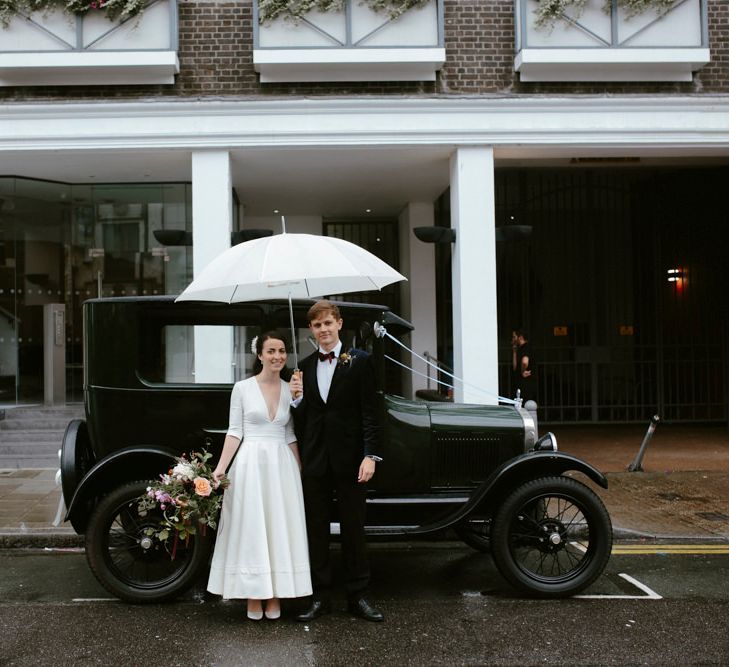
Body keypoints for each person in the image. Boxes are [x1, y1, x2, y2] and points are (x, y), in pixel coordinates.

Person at [289, 300, 384, 623]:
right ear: (311, 330)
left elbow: (371, 412)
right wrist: (297, 400)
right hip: (316, 460)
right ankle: (319, 597)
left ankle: (358, 597)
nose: (324, 330)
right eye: (317, 326)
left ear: (339, 324)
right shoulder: (303, 366)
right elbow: (307, 420)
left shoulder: (360, 361)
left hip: (351, 460)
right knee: (316, 530)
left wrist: (370, 455)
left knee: (353, 529)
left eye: (328, 323)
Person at [207, 331, 312, 621]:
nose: (277, 356)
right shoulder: (242, 388)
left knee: (278, 528)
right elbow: (235, 431)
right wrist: (220, 469)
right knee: (252, 528)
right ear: (260, 355)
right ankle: (253, 594)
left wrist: (299, 468)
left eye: (282, 351)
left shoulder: (291, 387)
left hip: (282, 466)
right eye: (271, 351)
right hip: (250, 465)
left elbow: (290, 433)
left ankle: (276, 593)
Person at [511, 329, 536, 404]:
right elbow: (515, 367)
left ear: (520, 337)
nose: (512, 339)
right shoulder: (520, 349)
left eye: (514, 337)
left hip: (526, 385)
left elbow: (525, 362)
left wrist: (522, 371)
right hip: (521, 384)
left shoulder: (526, 347)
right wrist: (514, 352)